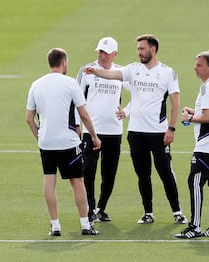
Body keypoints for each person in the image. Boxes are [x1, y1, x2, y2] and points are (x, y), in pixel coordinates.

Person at [84, 34, 187, 224]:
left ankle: (177, 211)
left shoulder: (167, 72)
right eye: (138, 49)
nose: (139, 52)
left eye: (142, 48)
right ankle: (148, 212)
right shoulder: (132, 69)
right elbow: (112, 74)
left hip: (158, 132)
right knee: (143, 174)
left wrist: (171, 128)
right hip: (136, 133)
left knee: (165, 171)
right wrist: (95, 72)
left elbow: (175, 102)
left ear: (153, 49)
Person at [26, 48, 100, 236]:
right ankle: (85, 224)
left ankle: (55, 225)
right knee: (78, 182)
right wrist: (94, 135)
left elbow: (29, 118)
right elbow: (83, 114)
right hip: (68, 142)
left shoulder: (36, 84)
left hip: (46, 143)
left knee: (49, 182)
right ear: (64, 63)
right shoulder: (70, 83)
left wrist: (40, 138)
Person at [174, 51, 209, 239]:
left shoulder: (208, 87)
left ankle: (195, 227)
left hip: (207, 146)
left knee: (195, 182)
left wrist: (190, 117)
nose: (194, 68)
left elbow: (208, 117)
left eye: (199, 65)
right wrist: (194, 110)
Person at [76, 37, 127, 223]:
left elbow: (138, 93)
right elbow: (77, 99)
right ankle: (89, 208)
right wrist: (76, 126)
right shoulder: (86, 71)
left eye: (106, 52)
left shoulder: (121, 72)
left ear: (115, 54)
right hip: (91, 131)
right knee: (88, 170)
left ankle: (101, 208)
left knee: (109, 173)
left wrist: (126, 111)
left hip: (114, 131)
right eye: (100, 52)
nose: (102, 55)